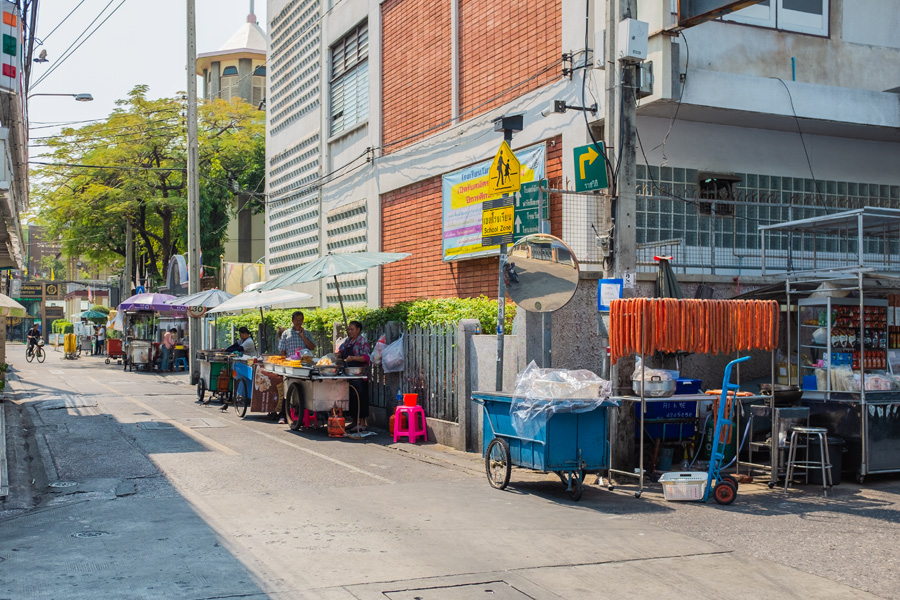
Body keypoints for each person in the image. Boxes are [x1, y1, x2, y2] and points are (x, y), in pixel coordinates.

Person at [338, 320, 371, 431]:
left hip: (360, 375)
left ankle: (362, 423)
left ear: (358, 330)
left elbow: (366, 358)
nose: (350, 331)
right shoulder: (348, 341)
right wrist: (338, 355)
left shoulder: (363, 341)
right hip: (349, 374)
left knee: (361, 399)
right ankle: (354, 422)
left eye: (352, 329)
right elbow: (341, 351)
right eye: (349, 329)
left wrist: (353, 358)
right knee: (352, 399)